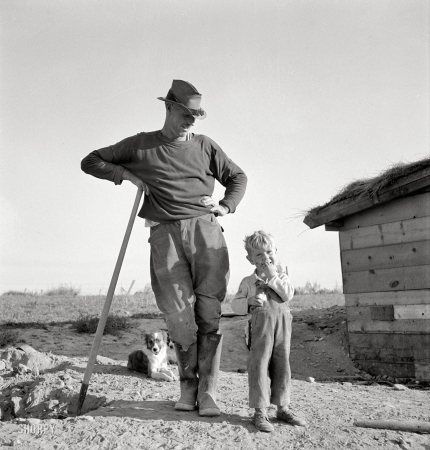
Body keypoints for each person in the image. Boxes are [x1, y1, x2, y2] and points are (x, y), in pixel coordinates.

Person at [81, 80, 247, 416]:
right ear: (169, 108)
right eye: (186, 113)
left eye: (196, 115)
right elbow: (91, 161)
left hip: (206, 231)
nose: (191, 120)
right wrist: (128, 176)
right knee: (178, 315)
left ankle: (209, 392)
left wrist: (225, 207)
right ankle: (187, 390)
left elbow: (238, 177)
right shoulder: (141, 145)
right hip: (164, 236)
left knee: (209, 313)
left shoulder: (205, 145)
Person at [231, 230, 306, 432]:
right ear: (250, 259)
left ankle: (283, 408)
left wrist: (273, 276)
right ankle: (260, 412)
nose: (266, 258)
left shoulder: (282, 277)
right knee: (259, 367)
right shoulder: (248, 282)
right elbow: (235, 305)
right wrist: (247, 302)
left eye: (269, 252)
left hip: (282, 329)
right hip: (260, 331)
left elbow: (287, 295)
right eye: (259, 255)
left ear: (276, 251)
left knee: (282, 367)